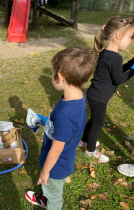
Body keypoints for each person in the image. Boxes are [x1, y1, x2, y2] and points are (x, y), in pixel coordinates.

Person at [25, 45, 95, 209]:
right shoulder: (74, 97)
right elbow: (64, 128)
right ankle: (45, 197)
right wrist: (45, 120)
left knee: (54, 195)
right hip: (61, 161)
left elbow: (56, 149)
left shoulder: (66, 115)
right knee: (50, 189)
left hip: (56, 167)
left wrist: (45, 171)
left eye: (51, 74)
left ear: (59, 77)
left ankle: (50, 202)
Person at [80, 16, 134, 163]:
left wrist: (131, 63)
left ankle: (84, 140)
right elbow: (119, 79)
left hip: (95, 94)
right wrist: (133, 70)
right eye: (130, 37)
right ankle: (91, 151)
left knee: (94, 120)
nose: (130, 41)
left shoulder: (107, 53)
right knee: (98, 123)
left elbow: (116, 72)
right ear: (118, 35)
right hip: (99, 97)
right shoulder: (114, 57)